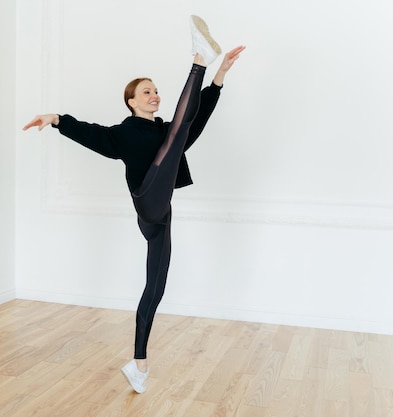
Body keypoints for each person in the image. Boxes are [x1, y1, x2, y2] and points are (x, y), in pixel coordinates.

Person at [23, 15, 245, 394]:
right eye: (146, 92)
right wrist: (57, 119)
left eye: (156, 90)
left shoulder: (164, 132)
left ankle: (138, 364)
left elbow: (195, 119)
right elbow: (89, 132)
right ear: (131, 101)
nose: (154, 95)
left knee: (155, 286)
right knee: (177, 133)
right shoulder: (123, 134)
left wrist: (221, 76)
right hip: (147, 201)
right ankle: (198, 57)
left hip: (160, 215)